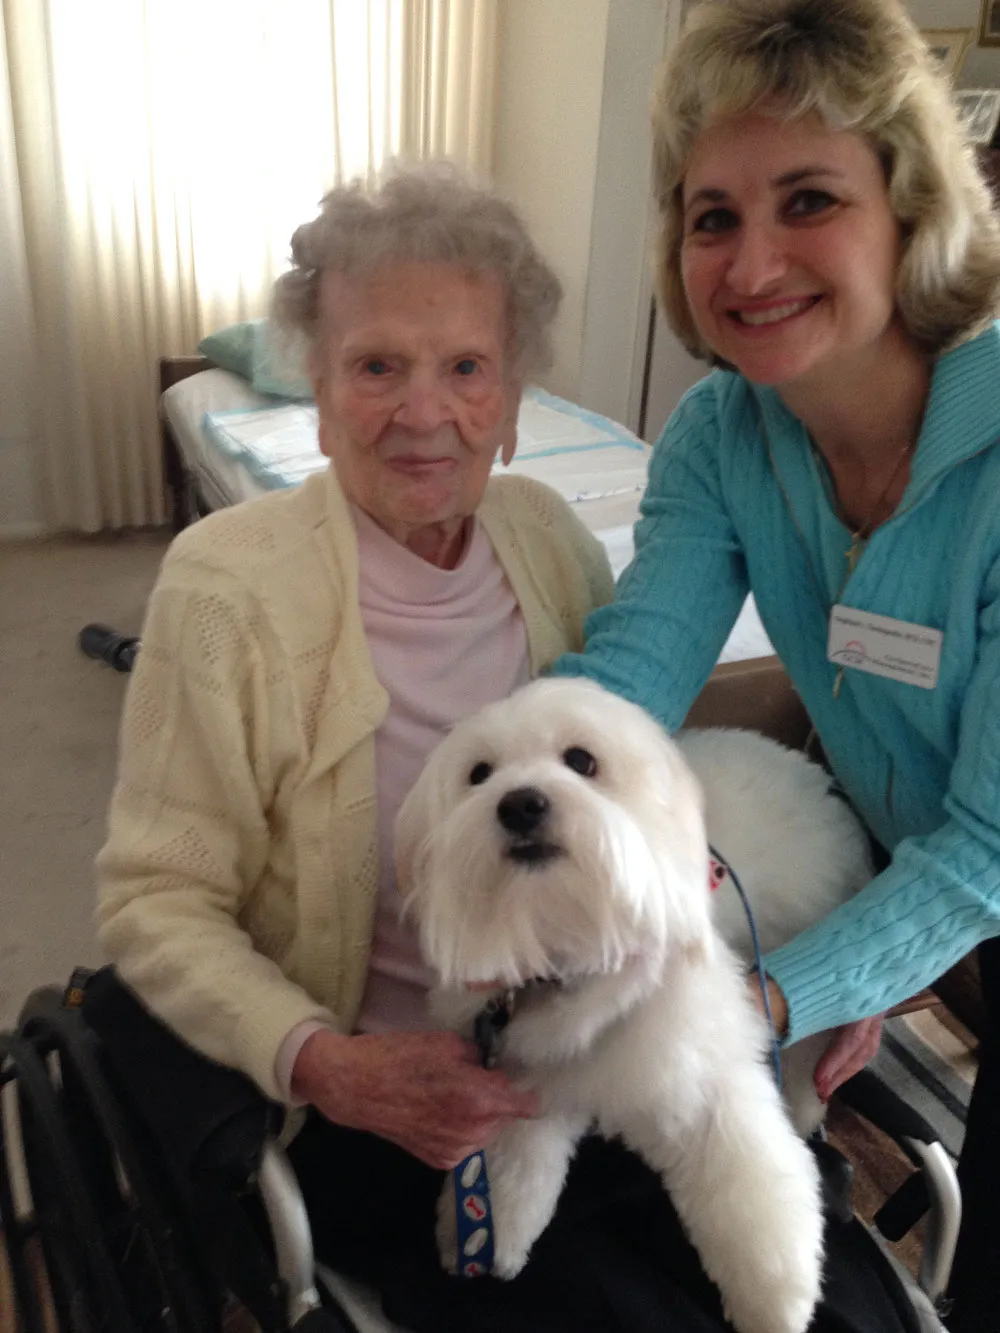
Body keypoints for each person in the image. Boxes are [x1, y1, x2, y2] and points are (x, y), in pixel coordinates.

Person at [552, 1, 1000, 1329]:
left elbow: (982, 852)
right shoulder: (721, 435)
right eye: (711, 217)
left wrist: (770, 995)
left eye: (808, 200)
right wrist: (518, 809)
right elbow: (630, 672)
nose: (751, 266)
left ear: (910, 215)